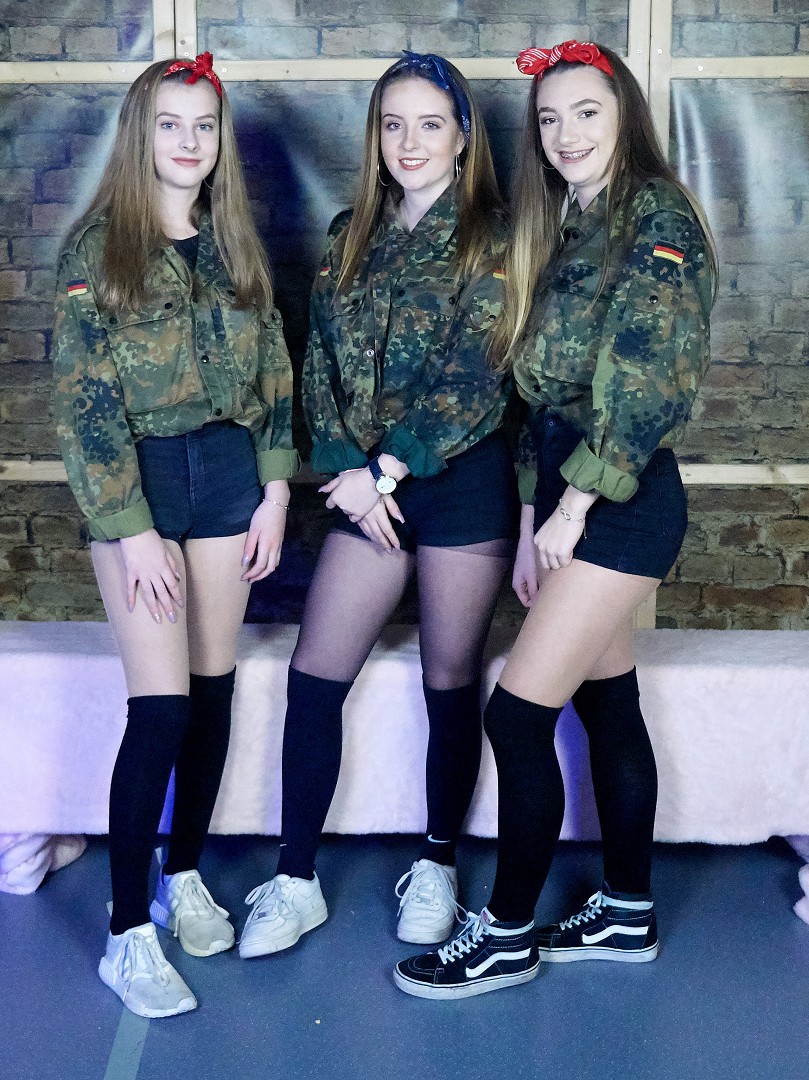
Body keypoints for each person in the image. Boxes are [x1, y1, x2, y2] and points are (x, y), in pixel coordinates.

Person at [395, 39, 717, 999]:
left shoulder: (654, 215)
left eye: (585, 112)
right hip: (574, 499)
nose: (565, 133)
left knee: (515, 714)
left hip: (621, 500)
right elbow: (546, 397)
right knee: (606, 705)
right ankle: (625, 908)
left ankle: (503, 932)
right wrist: (541, 508)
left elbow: (643, 382)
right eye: (548, 118)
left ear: (624, 118)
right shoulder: (572, 221)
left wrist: (571, 508)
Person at [239, 52, 519, 960]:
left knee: (449, 681)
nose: (409, 142)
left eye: (429, 124)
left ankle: (436, 864)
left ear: (462, 136)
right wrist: (347, 475)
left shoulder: (496, 236)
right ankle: (295, 877)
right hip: (362, 492)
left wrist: (388, 471)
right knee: (316, 676)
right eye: (393, 124)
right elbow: (314, 362)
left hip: (457, 484)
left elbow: (480, 373)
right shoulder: (347, 234)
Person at [52, 53, 299, 1017]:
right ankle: (127, 934)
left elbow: (274, 372)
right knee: (158, 710)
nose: (188, 141)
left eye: (203, 125)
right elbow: (85, 406)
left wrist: (274, 492)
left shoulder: (233, 244)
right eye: (170, 124)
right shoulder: (96, 251)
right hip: (142, 487)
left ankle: (182, 871)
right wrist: (132, 532)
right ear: (140, 135)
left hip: (230, 480)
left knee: (210, 691)